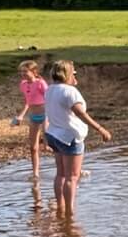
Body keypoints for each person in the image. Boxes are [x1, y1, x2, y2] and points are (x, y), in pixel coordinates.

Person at [43, 61, 111, 215]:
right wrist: (100, 129)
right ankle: (69, 212)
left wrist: (44, 135)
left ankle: (60, 207)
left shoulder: (50, 90)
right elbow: (80, 113)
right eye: (73, 73)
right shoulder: (70, 92)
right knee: (72, 177)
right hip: (69, 137)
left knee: (60, 173)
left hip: (54, 134)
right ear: (67, 74)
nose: (75, 76)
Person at [12, 60, 48, 174]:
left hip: (45, 115)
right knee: (33, 148)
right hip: (33, 116)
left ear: (34, 71)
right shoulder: (23, 85)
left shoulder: (40, 83)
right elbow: (28, 102)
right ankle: (35, 173)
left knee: (48, 146)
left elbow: (49, 98)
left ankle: (72, 164)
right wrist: (21, 116)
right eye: (21, 71)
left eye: (25, 71)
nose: (22, 74)